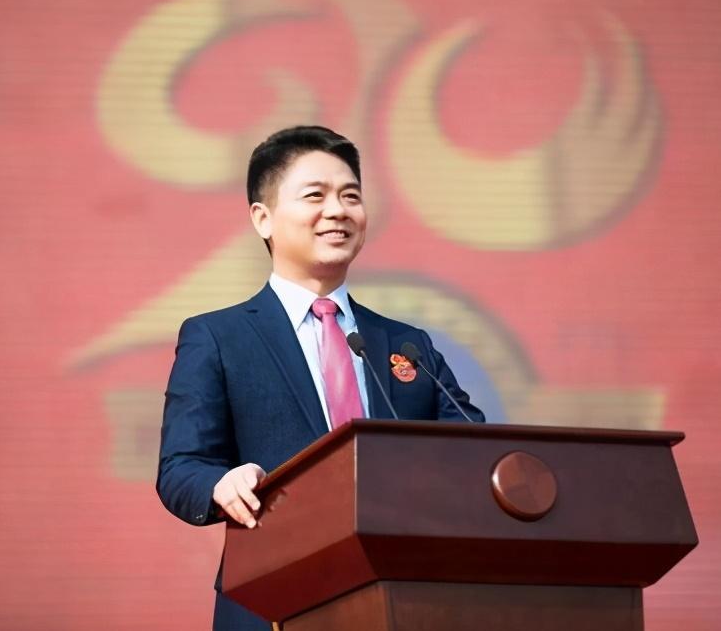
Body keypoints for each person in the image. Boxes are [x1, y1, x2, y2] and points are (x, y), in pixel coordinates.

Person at [157, 125, 485, 630]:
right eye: (315, 195)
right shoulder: (218, 337)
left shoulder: (405, 343)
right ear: (263, 218)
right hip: (273, 595)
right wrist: (221, 482)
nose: (338, 210)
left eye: (351, 196)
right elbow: (182, 467)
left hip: (403, 598)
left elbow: (473, 446)